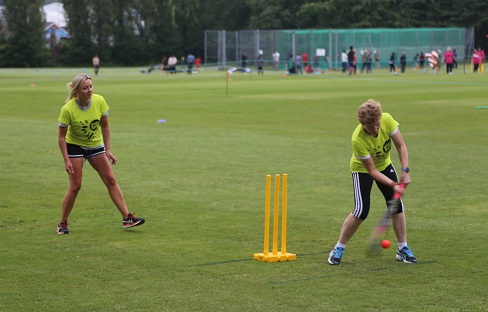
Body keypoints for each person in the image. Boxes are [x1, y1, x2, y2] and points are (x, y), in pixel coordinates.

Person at [328, 99, 417, 265]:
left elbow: (401, 146)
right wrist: (394, 184)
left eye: (377, 124)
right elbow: (372, 171)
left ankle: (402, 248)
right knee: (361, 210)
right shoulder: (358, 139)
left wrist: (405, 171)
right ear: (363, 125)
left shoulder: (387, 119)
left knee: (396, 205)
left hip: (384, 164)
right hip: (362, 170)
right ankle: (338, 248)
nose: (376, 129)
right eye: (372, 127)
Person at [56, 74, 145, 234]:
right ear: (77, 91)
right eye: (85, 88)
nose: (89, 90)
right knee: (75, 186)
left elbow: (105, 127)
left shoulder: (99, 101)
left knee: (110, 180)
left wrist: (108, 150)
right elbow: (62, 137)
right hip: (75, 147)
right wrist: (66, 160)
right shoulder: (68, 109)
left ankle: (127, 218)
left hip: (95, 146)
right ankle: (62, 223)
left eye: (91, 86)